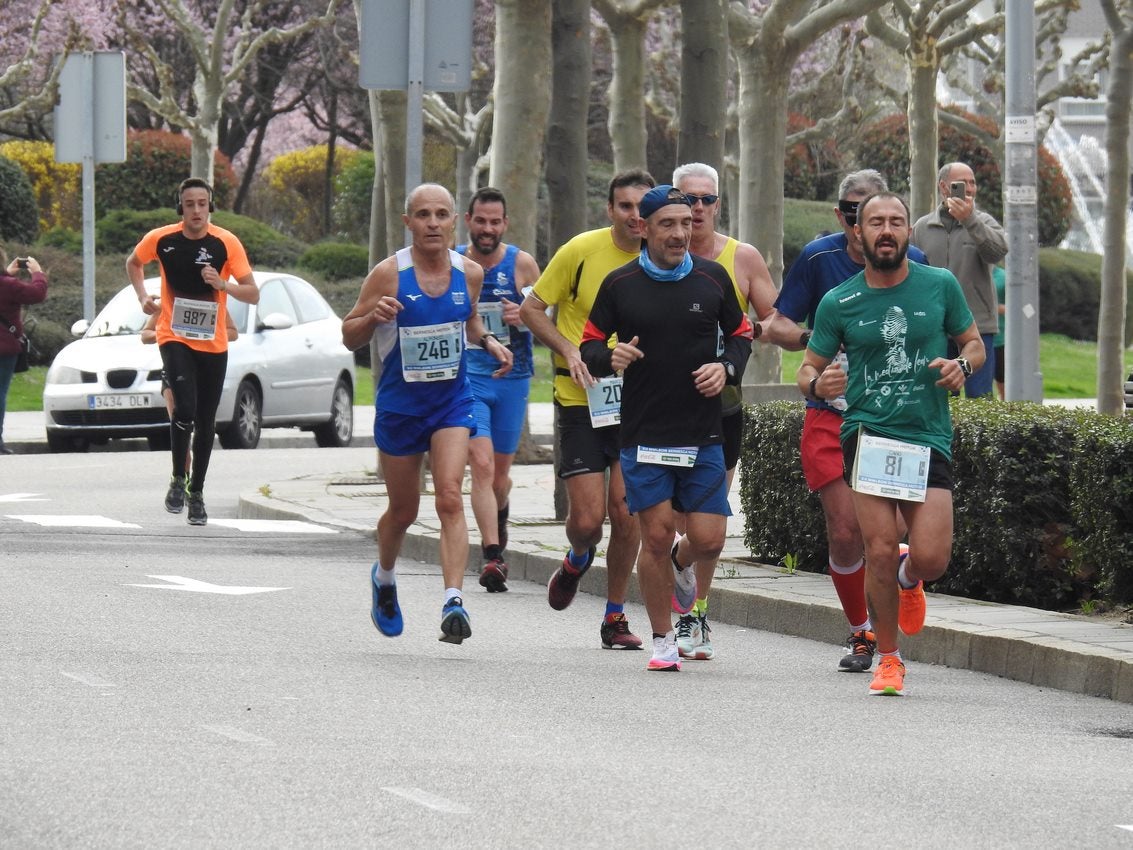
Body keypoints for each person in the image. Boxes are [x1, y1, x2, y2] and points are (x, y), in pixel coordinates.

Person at [797, 191, 984, 696]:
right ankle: (889, 657)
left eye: (896, 222)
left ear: (908, 231)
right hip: (869, 434)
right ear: (858, 232)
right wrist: (818, 385)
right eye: (875, 221)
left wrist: (960, 366)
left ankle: (909, 577)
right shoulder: (840, 301)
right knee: (876, 547)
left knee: (932, 557)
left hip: (927, 436)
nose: (886, 230)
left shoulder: (939, 285)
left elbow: (973, 343)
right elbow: (807, 367)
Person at [579, 185, 754, 671]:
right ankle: (662, 639)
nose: (681, 233)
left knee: (710, 539)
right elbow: (589, 343)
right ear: (644, 228)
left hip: (702, 431)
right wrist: (609, 356)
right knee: (654, 536)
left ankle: (681, 566)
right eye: (668, 225)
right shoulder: (620, 285)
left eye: (686, 223)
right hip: (644, 433)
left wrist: (727, 369)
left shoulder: (713, 279)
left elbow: (741, 335)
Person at [762, 169, 926, 673]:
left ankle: (906, 573)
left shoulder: (916, 265)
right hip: (831, 415)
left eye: (882, 216)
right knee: (844, 531)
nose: (869, 224)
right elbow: (781, 324)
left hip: (893, 417)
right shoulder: (819, 259)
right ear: (843, 217)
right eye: (856, 213)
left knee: (893, 532)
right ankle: (863, 632)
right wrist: (816, 342)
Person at [342, 183, 512, 645]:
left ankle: (453, 599)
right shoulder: (388, 275)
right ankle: (385, 575)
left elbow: (470, 319)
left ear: (454, 221)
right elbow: (348, 336)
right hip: (400, 406)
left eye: (441, 214)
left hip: (450, 402)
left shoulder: (469, 273)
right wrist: (373, 316)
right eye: (423, 215)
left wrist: (488, 340)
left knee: (450, 498)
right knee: (403, 510)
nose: (432, 223)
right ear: (408, 222)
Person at [519, 168, 656, 650]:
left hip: (637, 405)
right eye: (626, 207)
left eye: (644, 206)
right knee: (587, 521)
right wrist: (569, 350)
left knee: (627, 511)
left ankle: (614, 616)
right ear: (611, 210)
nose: (636, 216)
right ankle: (577, 558)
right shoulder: (580, 250)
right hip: (580, 399)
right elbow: (532, 309)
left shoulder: (664, 260)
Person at [668, 161, 778, 661]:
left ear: (717, 203)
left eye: (706, 200)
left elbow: (773, 316)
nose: (696, 209)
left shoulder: (742, 258)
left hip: (722, 409)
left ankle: (696, 615)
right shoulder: (654, 260)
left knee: (707, 523)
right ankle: (672, 569)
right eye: (687, 199)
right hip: (661, 412)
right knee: (670, 519)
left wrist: (755, 330)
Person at [126, 178, 259, 525]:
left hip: (212, 343)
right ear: (180, 208)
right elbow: (134, 262)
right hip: (174, 335)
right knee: (183, 407)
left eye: (202, 203)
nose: (196, 210)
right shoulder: (163, 239)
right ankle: (176, 479)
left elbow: (252, 293)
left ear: (210, 207)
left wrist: (223, 284)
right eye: (189, 204)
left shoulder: (226, 243)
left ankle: (196, 493)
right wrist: (143, 297)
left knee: (206, 422)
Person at [457, 187, 541, 593]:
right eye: (480, 221)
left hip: (513, 378)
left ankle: (499, 519)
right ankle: (493, 555)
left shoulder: (521, 264)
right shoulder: (455, 263)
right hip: (468, 377)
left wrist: (522, 318)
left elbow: (546, 316)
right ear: (468, 220)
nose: (487, 229)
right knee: (483, 465)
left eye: (495, 222)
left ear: (504, 224)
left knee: (500, 476)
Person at [911, 162, 1008, 399]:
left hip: (978, 327)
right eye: (963, 183)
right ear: (944, 187)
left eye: (973, 183)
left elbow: (997, 252)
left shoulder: (984, 222)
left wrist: (970, 220)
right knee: (939, 399)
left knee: (980, 403)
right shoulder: (922, 227)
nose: (971, 189)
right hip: (935, 328)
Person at [142, 310, 238, 474]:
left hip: (204, 367)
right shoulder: (168, 301)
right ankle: (182, 476)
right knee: (180, 423)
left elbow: (233, 332)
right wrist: (170, 333)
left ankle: (195, 482)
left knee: (203, 423)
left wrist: (207, 334)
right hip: (174, 370)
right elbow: (145, 335)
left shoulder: (212, 301)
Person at [0, 251, 47, 455]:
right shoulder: (8, 286)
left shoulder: (7, 283)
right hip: (4, 348)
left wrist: (8, 273)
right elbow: (36, 294)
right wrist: (38, 273)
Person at [993, 265, 1006, 400]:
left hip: (1000, 338)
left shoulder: (1003, 277)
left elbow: (1018, 307)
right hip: (976, 337)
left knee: (1002, 379)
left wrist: (994, 308)